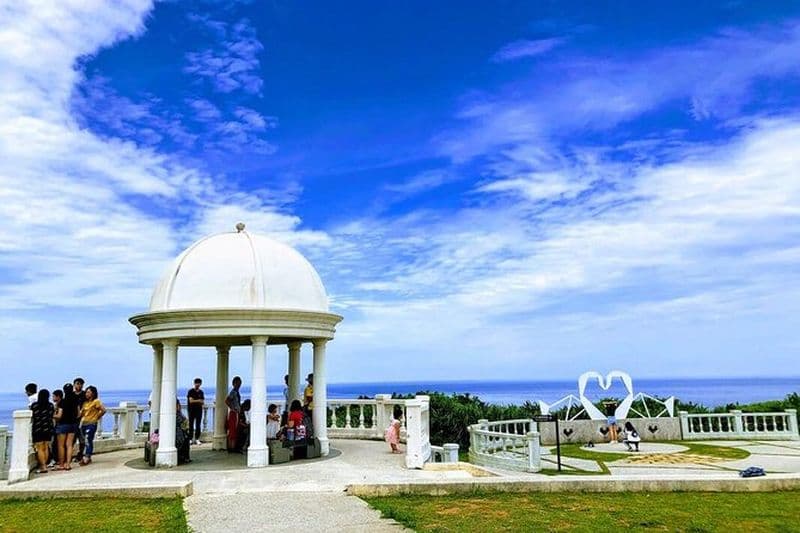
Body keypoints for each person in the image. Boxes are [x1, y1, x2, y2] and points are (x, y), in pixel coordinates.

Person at [54, 383, 79, 470]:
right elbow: (78, 414)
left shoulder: (63, 402)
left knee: (61, 445)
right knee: (69, 445)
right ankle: (68, 464)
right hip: (73, 424)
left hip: (63, 424)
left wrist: (52, 415)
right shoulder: (75, 400)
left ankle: (61, 464)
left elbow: (59, 416)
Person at [79, 386, 106, 466]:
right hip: (84, 423)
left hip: (91, 423)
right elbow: (82, 413)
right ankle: (88, 456)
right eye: (86, 392)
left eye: (89, 392)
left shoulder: (96, 401)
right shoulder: (85, 403)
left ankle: (87, 457)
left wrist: (97, 417)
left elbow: (103, 410)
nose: (87, 394)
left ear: (93, 393)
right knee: (86, 440)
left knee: (88, 440)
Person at [30, 389, 54, 473]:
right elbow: (51, 415)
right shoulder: (50, 405)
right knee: (46, 447)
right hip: (48, 428)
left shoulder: (35, 405)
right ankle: (45, 465)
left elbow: (32, 416)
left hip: (38, 428)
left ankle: (43, 467)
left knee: (39, 448)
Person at [225, 376, 242, 452]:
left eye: (239, 383)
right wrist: (232, 408)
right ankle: (231, 447)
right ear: (234, 383)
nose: (239, 385)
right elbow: (227, 400)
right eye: (237, 383)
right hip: (233, 413)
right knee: (232, 430)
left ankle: (233, 446)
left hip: (236, 413)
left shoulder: (236, 392)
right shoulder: (233, 392)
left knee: (235, 430)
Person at [187, 377, 205, 445]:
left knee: (198, 425)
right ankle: (190, 439)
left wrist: (198, 401)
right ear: (194, 383)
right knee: (191, 425)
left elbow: (203, 402)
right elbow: (190, 401)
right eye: (196, 383)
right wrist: (198, 400)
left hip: (199, 411)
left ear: (200, 384)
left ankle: (197, 438)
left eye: (199, 383)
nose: (197, 384)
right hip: (191, 410)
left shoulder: (201, 392)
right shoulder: (191, 391)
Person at [73, 377, 87, 462]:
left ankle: (81, 454)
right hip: (73, 419)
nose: (79, 385)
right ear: (74, 385)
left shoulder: (85, 395)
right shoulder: (71, 394)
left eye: (81, 384)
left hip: (82, 419)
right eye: (77, 383)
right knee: (72, 438)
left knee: (82, 438)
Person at [175, 399, 191, 464]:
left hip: (181, 431)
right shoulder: (174, 415)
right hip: (177, 431)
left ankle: (185, 457)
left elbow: (185, 422)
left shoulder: (179, 414)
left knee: (186, 438)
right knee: (183, 438)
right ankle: (183, 457)